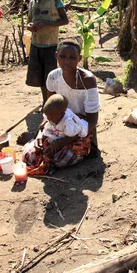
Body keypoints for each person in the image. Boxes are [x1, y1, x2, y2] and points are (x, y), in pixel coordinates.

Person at [22, 39, 100, 174]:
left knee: (59, 157)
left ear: (79, 59)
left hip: (80, 127)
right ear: (56, 55)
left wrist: (62, 142)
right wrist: (41, 134)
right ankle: (34, 141)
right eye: (63, 56)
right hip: (55, 126)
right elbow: (48, 110)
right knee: (30, 155)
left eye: (72, 57)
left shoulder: (87, 80)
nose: (67, 61)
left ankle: (83, 151)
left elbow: (92, 121)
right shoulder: (53, 77)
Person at [26, 0, 69, 106]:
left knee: (50, 76)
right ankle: (46, 101)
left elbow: (65, 20)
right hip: (36, 44)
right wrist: (30, 27)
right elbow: (28, 22)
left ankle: (52, 102)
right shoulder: (33, 2)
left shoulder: (55, 0)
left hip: (50, 45)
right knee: (39, 77)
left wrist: (47, 24)